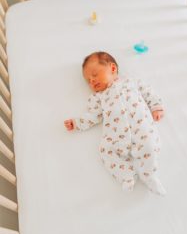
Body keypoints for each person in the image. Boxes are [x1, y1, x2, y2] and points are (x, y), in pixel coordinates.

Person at [64, 51, 166, 195]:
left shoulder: (131, 82)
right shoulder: (98, 97)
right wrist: (77, 123)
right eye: (88, 81)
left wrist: (156, 106)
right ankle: (126, 175)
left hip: (142, 129)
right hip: (116, 136)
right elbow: (92, 115)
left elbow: (148, 92)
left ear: (112, 69)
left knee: (150, 146)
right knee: (106, 151)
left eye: (94, 75)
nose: (92, 81)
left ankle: (149, 175)